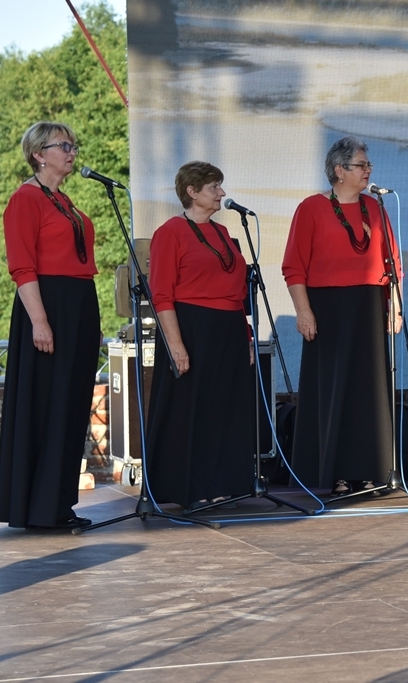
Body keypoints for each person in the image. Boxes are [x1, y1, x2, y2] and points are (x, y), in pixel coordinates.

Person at [0, 121, 100, 530]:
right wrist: (40, 321)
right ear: (39, 154)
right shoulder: (25, 199)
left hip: (77, 304)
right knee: (48, 405)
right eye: (63, 145)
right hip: (48, 305)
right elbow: (23, 266)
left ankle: (58, 504)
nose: (72, 151)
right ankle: (38, 509)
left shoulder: (66, 201)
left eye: (73, 144)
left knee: (70, 406)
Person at [282, 136, 400, 494]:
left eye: (369, 166)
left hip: (368, 305)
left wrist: (395, 306)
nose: (368, 171)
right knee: (332, 390)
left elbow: (392, 263)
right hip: (328, 309)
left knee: (368, 392)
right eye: (361, 165)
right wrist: (304, 312)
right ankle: (331, 471)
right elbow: (294, 267)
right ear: (339, 170)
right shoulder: (312, 208)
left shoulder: (375, 208)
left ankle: (367, 470)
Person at [145, 161, 255, 512]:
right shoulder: (171, 232)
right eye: (213, 187)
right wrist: (176, 345)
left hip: (229, 329)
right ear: (192, 192)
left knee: (224, 409)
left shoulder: (223, 234)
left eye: (220, 186)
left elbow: (238, 291)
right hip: (192, 328)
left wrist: (247, 336)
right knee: (190, 410)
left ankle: (221, 482)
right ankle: (188, 486)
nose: (221, 193)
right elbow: (161, 294)